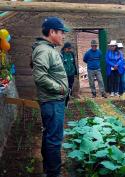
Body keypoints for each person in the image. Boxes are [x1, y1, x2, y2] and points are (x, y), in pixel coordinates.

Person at [32, 16, 69, 177]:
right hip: (52, 100)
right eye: (61, 32)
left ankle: (49, 170)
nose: (63, 36)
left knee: (50, 136)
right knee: (54, 139)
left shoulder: (48, 49)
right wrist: (60, 89)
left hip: (53, 100)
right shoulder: (43, 50)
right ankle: (54, 173)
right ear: (52, 32)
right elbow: (40, 77)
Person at [61, 42, 77, 106]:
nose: (70, 50)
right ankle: (65, 98)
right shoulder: (62, 55)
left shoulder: (72, 54)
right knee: (65, 86)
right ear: (65, 48)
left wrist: (75, 71)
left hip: (71, 73)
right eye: (69, 48)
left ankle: (69, 96)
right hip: (65, 74)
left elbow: (74, 63)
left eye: (70, 48)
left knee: (70, 85)